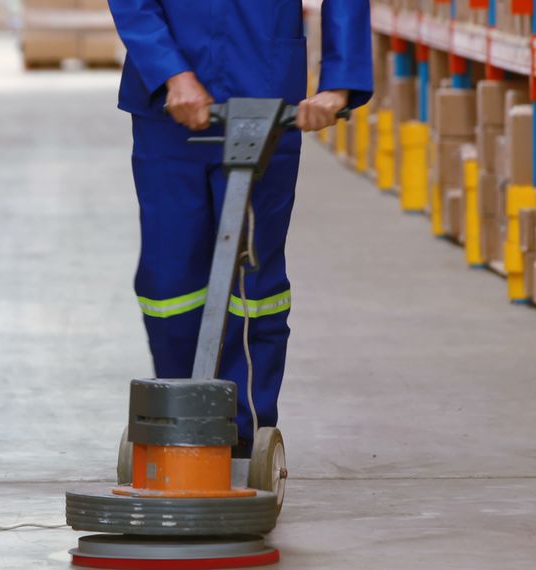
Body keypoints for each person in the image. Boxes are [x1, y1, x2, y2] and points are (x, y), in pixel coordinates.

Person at [108, 0, 373, 456]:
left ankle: (242, 436)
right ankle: (177, 416)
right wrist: (173, 72)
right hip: (167, 110)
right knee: (168, 279)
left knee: (254, 281)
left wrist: (340, 85)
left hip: (266, 97)